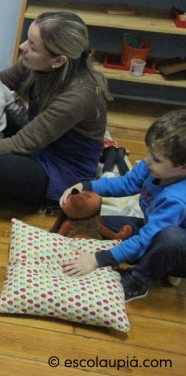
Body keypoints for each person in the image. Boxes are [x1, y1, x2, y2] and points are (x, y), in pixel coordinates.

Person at [0, 11, 111, 212]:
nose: (23, 47)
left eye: (32, 45)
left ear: (59, 60)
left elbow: (21, 144)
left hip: (60, 165)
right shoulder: (37, 62)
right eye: (27, 40)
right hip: (34, 137)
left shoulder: (79, 96)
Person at [61, 109, 186, 302]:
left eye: (156, 159)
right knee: (97, 225)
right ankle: (156, 263)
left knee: (170, 239)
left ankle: (139, 280)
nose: (147, 160)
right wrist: (86, 186)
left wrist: (97, 259)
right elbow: (126, 183)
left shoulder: (176, 198)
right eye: (149, 153)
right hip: (153, 228)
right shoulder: (153, 168)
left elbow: (148, 239)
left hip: (174, 245)